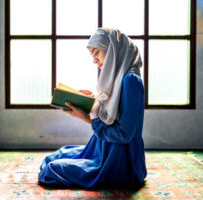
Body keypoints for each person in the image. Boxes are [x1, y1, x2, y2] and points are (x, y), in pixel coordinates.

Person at [38, 28, 147, 188]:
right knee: (53, 157)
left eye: (96, 52)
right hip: (101, 147)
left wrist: (85, 117)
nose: (94, 60)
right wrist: (92, 101)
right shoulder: (118, 77)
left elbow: (124, 134)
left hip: (118, 159)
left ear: (113, 51)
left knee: (51, 169)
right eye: (92, 55)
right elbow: (112, 112)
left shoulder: (131, 80)